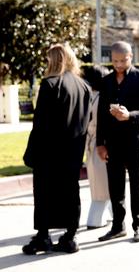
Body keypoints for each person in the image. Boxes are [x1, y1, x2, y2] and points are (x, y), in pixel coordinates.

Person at [22, 44, 91, 254]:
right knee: (71, 192)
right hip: (73, 150)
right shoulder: (84, 86)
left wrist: (31, 152)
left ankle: (43, 236)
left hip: (49, 151)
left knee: (43, 194)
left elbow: (40, 124)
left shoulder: (50, 84)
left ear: (53, 60)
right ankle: (70, 236)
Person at [96, 41, 139, 243]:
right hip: (112, 142)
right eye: (115, 61)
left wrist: (129, 115)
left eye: (123, 60)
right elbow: (101, 115)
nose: (119, 64)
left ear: (131, 57)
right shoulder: (107, 81)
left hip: (136, 142)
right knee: (115, 185)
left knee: (137, 186)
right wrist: (99, 144)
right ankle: (118, 226)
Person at [82, 65, 112, 229]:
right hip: (100, 143)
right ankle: (95, 220)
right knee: (103, 186)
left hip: (91, 143)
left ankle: (113, 215)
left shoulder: (89, 96)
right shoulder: (102, 98)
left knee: (101, 183)